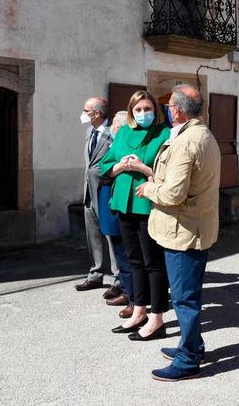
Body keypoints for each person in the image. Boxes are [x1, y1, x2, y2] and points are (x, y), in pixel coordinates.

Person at [136, 84, 221, 381]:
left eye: (170, 105)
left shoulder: (186, 141)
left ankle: (187, 360)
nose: (167, 109)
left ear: (178, 110)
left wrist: (149, 189)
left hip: (183, 231)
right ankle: (193, 344)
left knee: (185, 298)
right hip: (194, 227)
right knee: (190, 294)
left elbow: (173, 194)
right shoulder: (201, 134)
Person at [99, 91, 170, 340]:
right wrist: (120, 166)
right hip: (123, 202)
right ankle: (139, 311)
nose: (142, 114)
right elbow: (105, 165)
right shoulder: (124, 133)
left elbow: (169, 173)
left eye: (147, 109)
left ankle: (157, 317)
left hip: (147, 203)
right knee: (133, 260)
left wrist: (141, 167)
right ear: (131, 112)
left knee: (153, 261)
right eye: (138, 110)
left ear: (155, 110)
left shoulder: (164, 134)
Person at [75, 97, 121, 300]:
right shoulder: (89, 132)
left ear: (97, 113)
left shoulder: (113, 134)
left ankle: (119, 278)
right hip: (89, 192)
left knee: (111, 236)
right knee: (92, 234)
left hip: (105, 192)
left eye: (86, 110)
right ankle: (96, 274)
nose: (83, 114)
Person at [97, 111, 134, 317]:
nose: (115, 130)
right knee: (119, 250)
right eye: (115, 127)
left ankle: (134, 296)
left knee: (128, 254)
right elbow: (104, 168)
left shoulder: (126, 144)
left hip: (120, 201)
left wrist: (115, 168)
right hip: (107, 197)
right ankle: (128, 291)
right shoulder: (114, 143)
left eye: (119, 126)